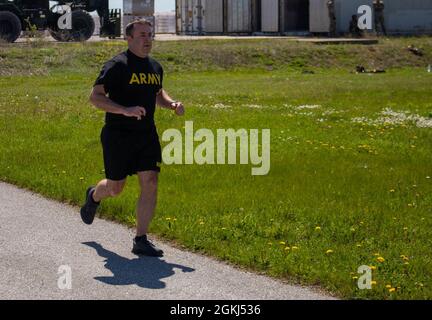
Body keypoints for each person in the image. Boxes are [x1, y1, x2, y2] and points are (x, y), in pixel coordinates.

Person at [80, 19, 185, 257]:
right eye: (142, 35)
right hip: (118, 135)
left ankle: (140, 239)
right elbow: (95, 97)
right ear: (128, 38)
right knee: (116, 188)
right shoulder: (117, 65)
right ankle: (94, 195)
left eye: (150, 34)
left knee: (150, 182)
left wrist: (171, 104)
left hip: (146, 134)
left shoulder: (155, 67)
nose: (147, 39)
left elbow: (157, 92)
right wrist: (124, 110)